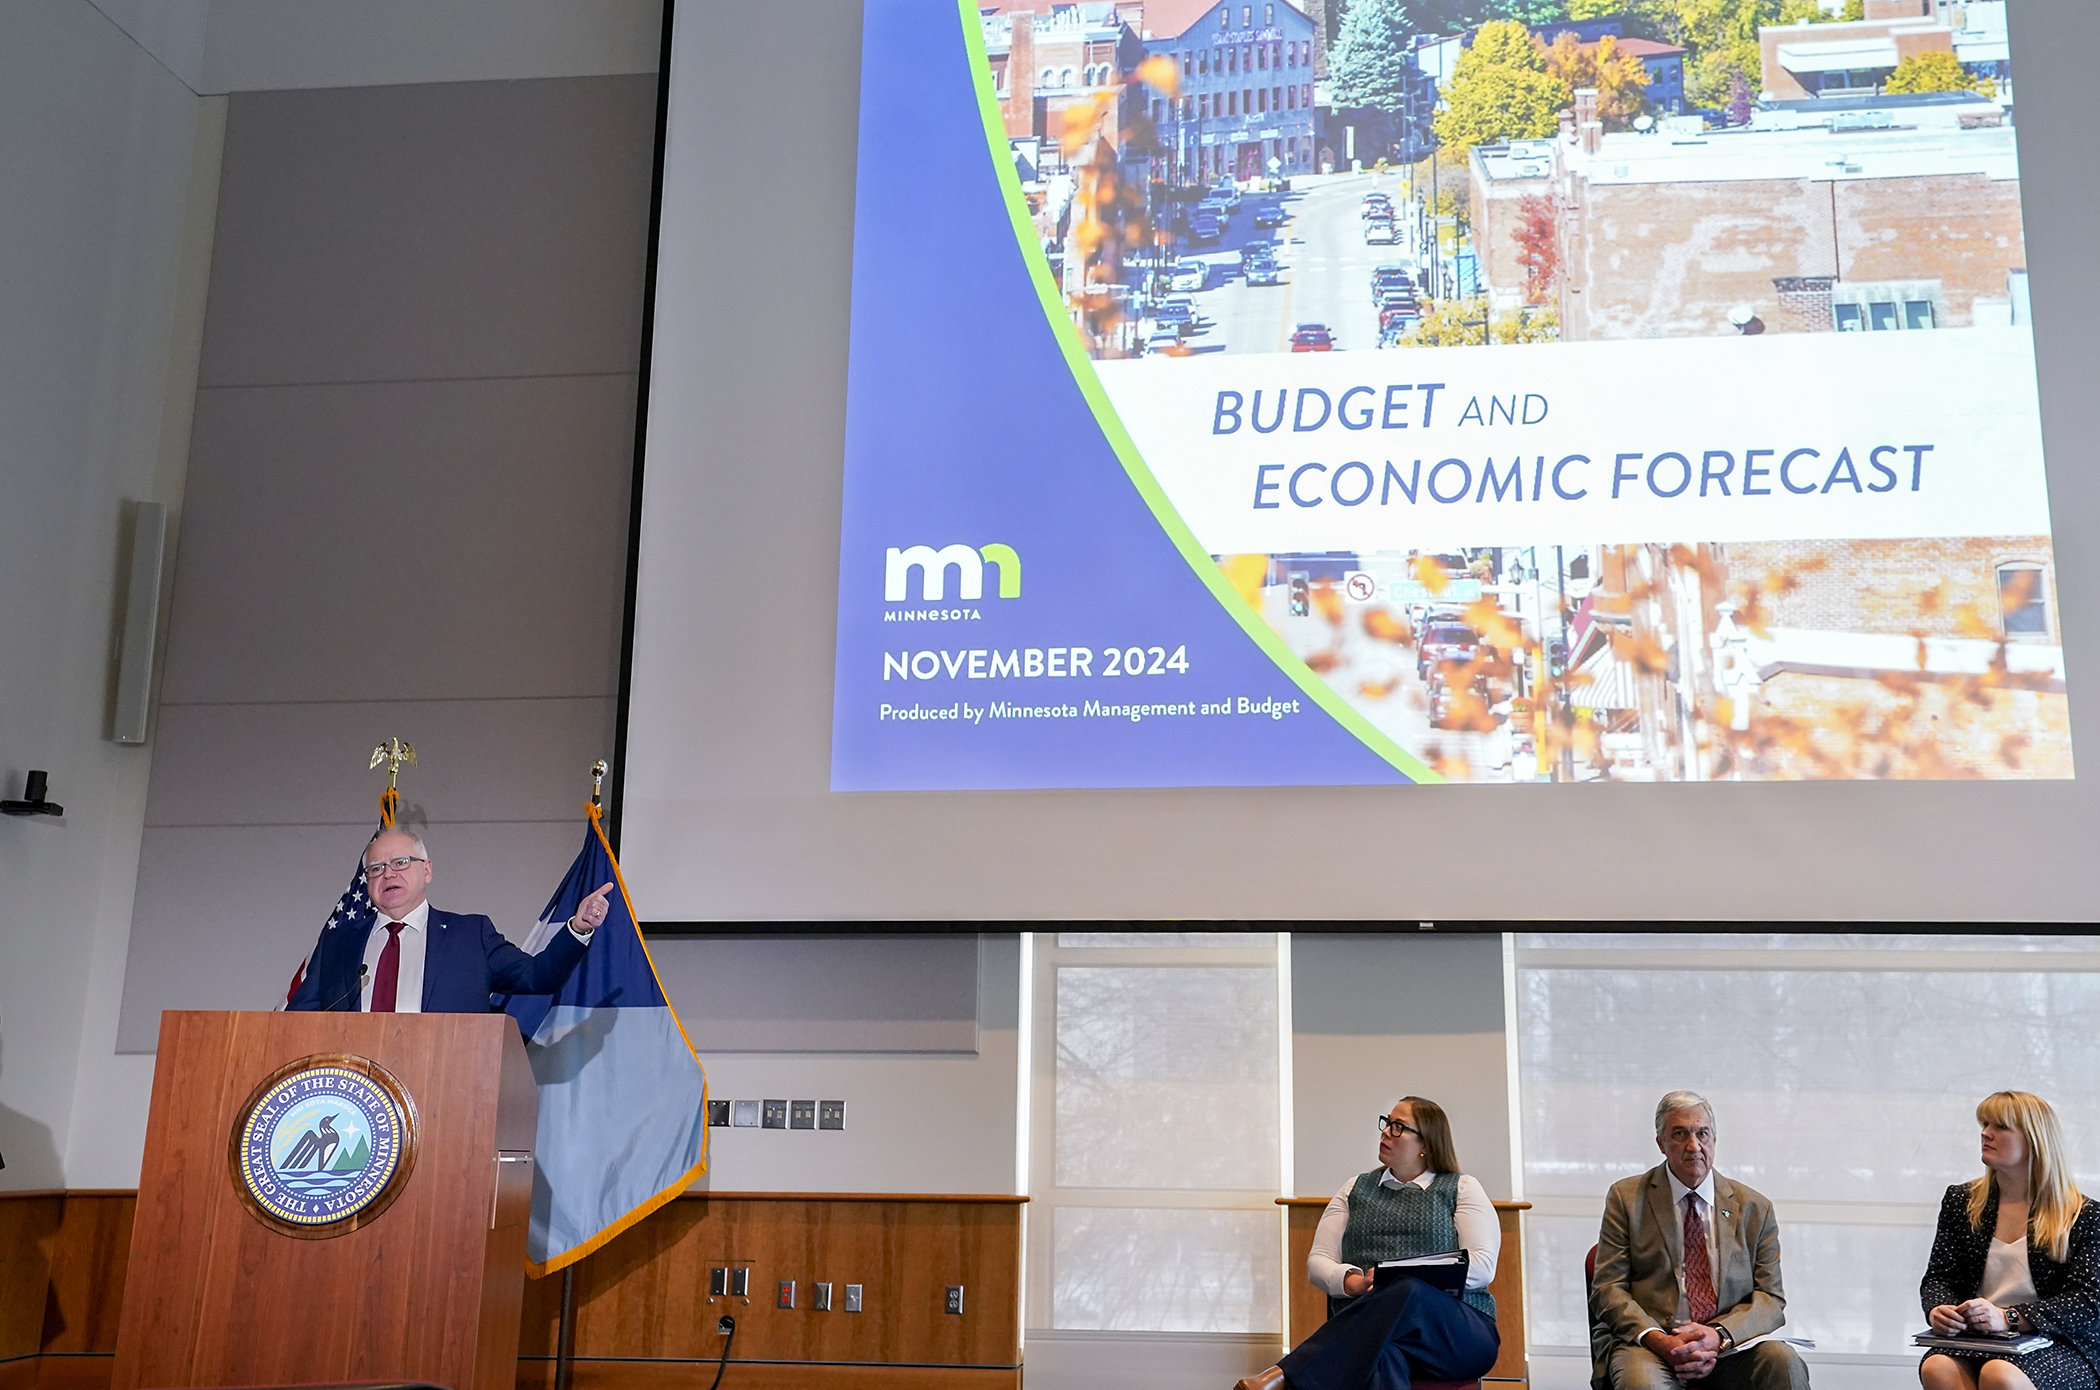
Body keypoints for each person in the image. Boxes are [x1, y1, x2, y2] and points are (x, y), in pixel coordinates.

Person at [1236, 1096, 1501, 1390]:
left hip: (1458, 1335)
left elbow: (1483, 1267)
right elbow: (1318, 1261)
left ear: (1426, 1144)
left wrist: (1413, 1276)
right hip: (1379, 1334)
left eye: (1398, 1127)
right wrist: (1352, 1282)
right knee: (1381, 1355)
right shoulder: (1354, 1189)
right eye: (1387, 1123)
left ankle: (1286, 1376)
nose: (1386, 1132)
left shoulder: (1461, 1187)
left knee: (1407, 1288)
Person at [1590, 1090, 1807, 1390]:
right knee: (1641, 1384)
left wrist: (1718, 1335)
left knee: (1783, 1361)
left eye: (1702, 1133)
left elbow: (1771, 1299)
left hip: (1730, 1348)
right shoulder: (1626, 1199)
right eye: (1679, 1134)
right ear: (1661, 1143)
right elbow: (1607, 1289)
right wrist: (1662, 1341)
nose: (1693, 1146)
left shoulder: (1754, 1208)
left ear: (1714, 1139)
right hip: (1653, 1346)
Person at [287, 827, 610, 1013]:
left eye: (401, 862)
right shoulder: (339, 941)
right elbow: (300, 1017)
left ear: (427, 870)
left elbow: (538, 977)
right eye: (376, 869)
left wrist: (577, 928)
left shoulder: (470, 935)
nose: (388, 874)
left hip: (443, 1087)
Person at [1919, 1091, 2100, 1390]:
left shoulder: (2085, 1215)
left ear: (2034, 1141)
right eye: (1985, 1124)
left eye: (2000, 1127)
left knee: (1999, 1374)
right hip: (1979, 1338)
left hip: (2057, 1342)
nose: (1985, 1133)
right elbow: (1939, 1277)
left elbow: (2088, 1302)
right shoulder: (1960, 1201)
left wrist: (2009, 1317)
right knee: (1938, 1367)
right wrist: (1941, 1309)